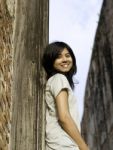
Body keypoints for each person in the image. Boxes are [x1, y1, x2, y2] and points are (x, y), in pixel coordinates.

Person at [42, 41, 89, 150]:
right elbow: (64, 117)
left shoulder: (55, 80)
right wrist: (84, 147)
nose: (65, 59)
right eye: (59, 57)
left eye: (68, 56)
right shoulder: (59, 78)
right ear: (51, 61)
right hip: (63, 144)